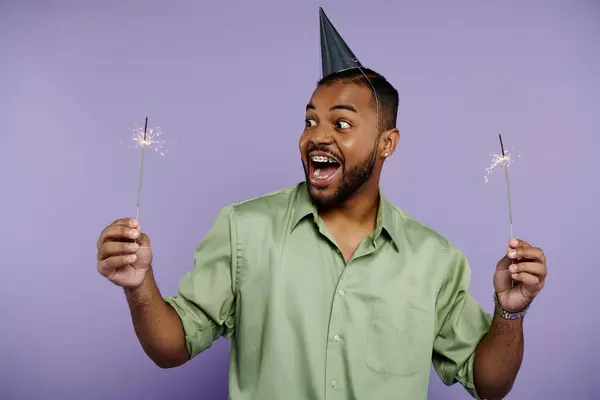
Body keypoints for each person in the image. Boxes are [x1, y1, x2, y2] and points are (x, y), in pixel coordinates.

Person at [96, 8, 547, 400]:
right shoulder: (243, 229)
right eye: (310, 119)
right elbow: (172, 347)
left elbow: (489, 385)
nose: (317, 136)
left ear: (387, 142)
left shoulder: (434, 259)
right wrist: (140, 286)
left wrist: (511, 311)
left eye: (342, 122)